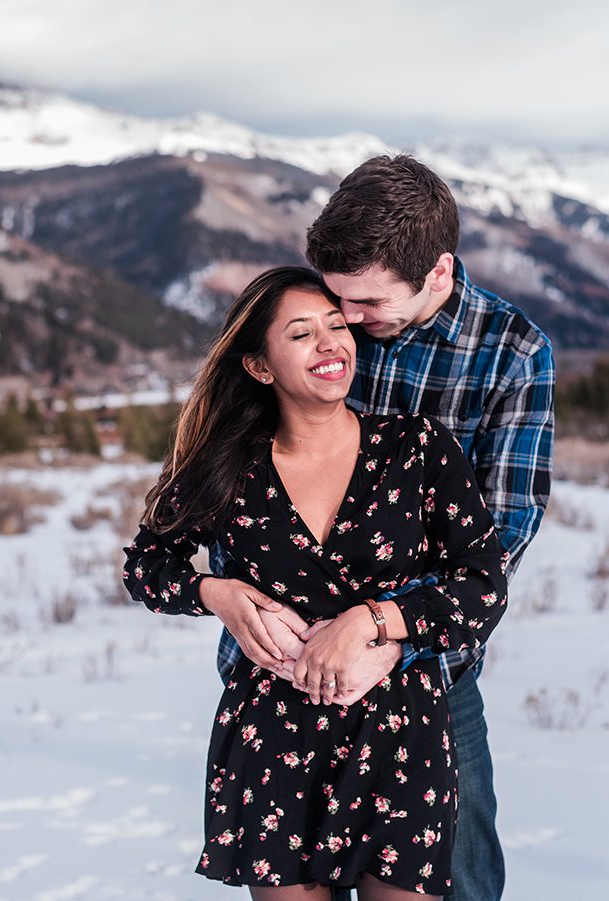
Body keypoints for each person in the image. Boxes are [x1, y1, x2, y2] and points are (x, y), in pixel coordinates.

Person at [208, 155, 555, 901]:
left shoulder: (510, 354)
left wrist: (385, 636)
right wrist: (234, 595)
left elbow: (499, 540)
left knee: (458, 878)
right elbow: (236, 482)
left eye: (364, 304)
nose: (346, 326)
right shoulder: (314, 329)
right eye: (335, 303)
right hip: (286, 675)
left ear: (437, 273)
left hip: (428, 673)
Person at [124, 266, 510, 899]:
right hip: (274, 738)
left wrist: (374, 620)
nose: (332, 344)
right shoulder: (225, 466)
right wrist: (214, 593)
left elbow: (482, 587)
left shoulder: (416, 450)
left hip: (400, 734)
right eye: (302, 334)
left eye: (338, 325)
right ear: (259, 366)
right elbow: (146, 565)